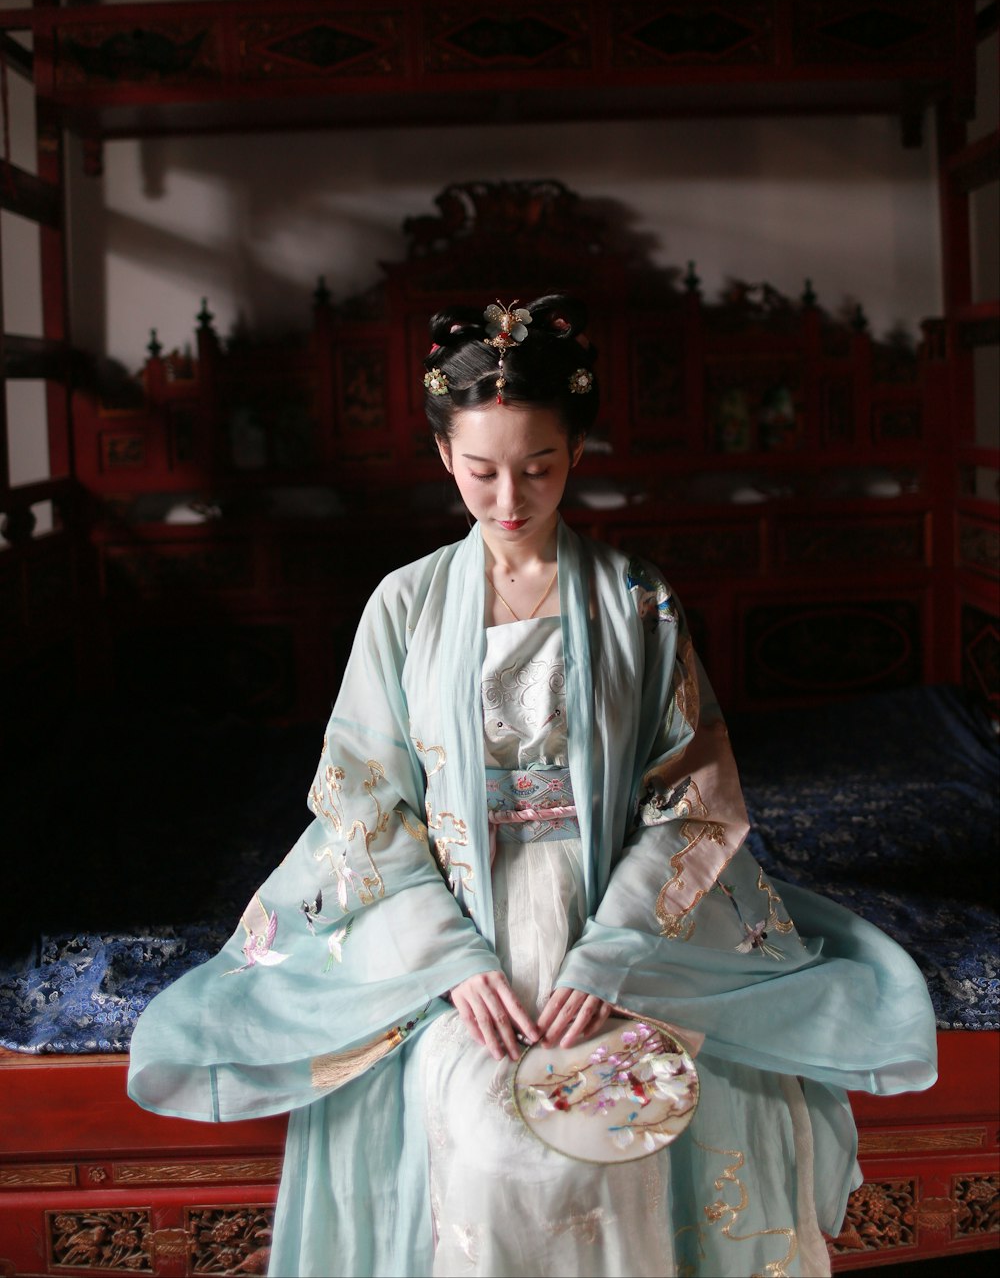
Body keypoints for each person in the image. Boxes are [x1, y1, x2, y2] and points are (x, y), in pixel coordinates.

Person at [128, 293, 937, 1278]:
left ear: (578, 454)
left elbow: (691, 799)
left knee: (625, 1127)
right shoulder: (406, 603)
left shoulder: (638, 600)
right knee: (489, 1140)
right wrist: (451, 963)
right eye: (481, 471)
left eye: (538, 468)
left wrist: (611, 960)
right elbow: (362, 798)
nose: (508, 498)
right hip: (455, 912)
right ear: (444, 459)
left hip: (612, 910)